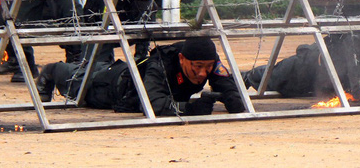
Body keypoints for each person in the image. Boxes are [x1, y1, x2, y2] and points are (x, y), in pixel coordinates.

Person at [36, 37, 245, 116]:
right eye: (197, 67)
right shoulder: (160, 64)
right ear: (182, 59)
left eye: (207, 68)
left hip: (124, 71)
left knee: (98, 66)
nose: (202, 74)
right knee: (74, 77)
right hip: (111, 87)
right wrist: (189, 108)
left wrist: (232, 98)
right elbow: (153, 104)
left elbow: (226, 84)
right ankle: (50, 71)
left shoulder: (208, 60)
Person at [242, 30, 360, 105]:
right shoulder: (359, 51)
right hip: (312, 67)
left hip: (338, 81)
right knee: (271, 79)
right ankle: (242, 77)